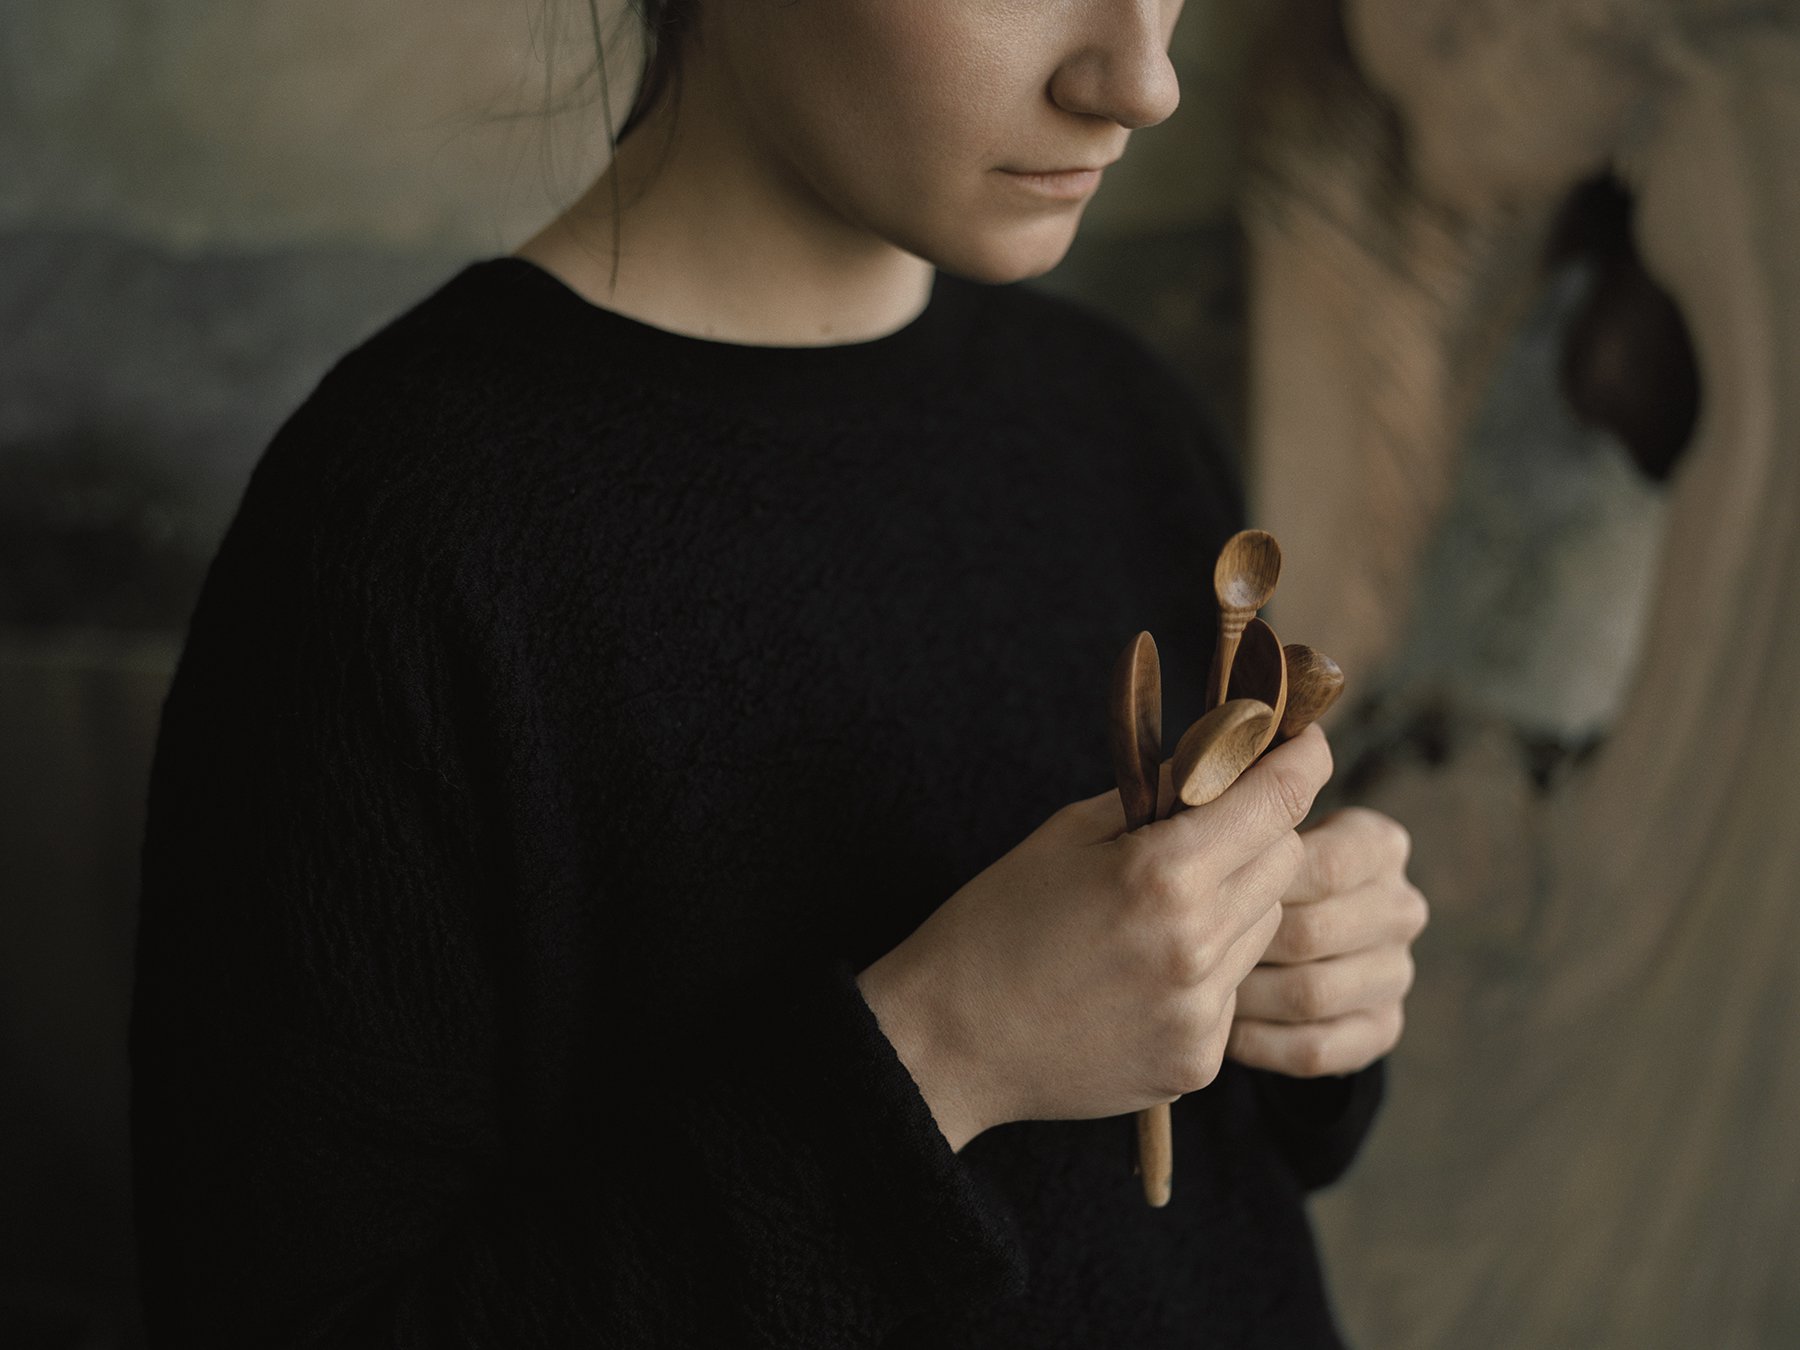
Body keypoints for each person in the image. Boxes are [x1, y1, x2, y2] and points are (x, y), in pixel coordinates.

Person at [129, 1, 1428, 1345]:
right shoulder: (391, 536)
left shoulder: (1116, 415)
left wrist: (1298, 998)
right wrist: (943, 1051)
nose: (1143, 79)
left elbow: (1205, 1198)